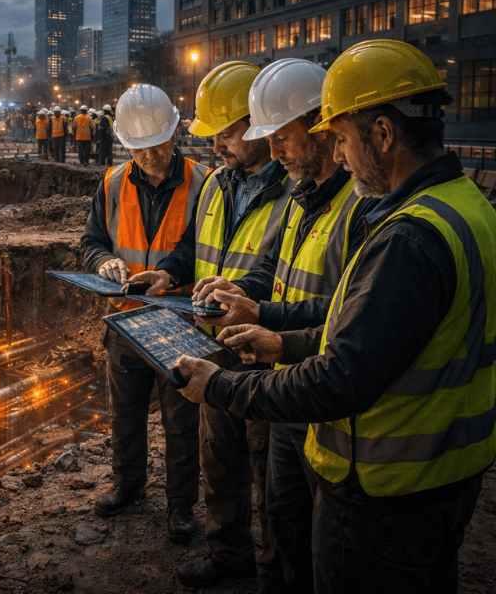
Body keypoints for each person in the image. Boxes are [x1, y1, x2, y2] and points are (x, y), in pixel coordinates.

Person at [176, 40, 496, 594]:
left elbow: (345, 375)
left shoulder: (407, 236)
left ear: (383, 133)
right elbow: (374, 328)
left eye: (342, 137)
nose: (340, 154)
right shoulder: (466, 205)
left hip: (384, 483)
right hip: (442, 475)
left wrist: (222, 386)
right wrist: (285, 343)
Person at [190, 58, 378, 594]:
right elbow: (279, 267)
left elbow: (348, 314)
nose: (274, 153)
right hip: (275, 364)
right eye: (265, 138)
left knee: (312, 536)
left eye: (282, 138)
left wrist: (264, 317)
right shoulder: (303, 192)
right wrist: (246, 292)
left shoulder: (358, 207)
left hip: (319, 386)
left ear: (321, 126)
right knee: (282, 512)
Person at [133, 61, 294, 589]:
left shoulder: (295, 190)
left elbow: (288, 270)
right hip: (210, 343)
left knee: (271, 472)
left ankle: (274, 571)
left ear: (257, 125)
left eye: (224, 134)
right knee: (218, 459)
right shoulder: (218, 182)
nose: (216, 146)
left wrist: (246, 295)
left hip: (263, 348)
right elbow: (191, 249)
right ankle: (229, 556)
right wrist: (167, 272)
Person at [81, 84, 210, 545]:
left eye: (157, 145)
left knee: (181, 419)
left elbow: (203, 249)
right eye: (139, 148)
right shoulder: (113, 183)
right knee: (125, 412)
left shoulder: (205, 183)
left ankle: (180, 504)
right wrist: (103, 262)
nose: (150, 156)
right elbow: (91, 241)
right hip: (125, 319)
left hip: (179, 322)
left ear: (174, 134)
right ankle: (128, 485)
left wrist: (168, 275)